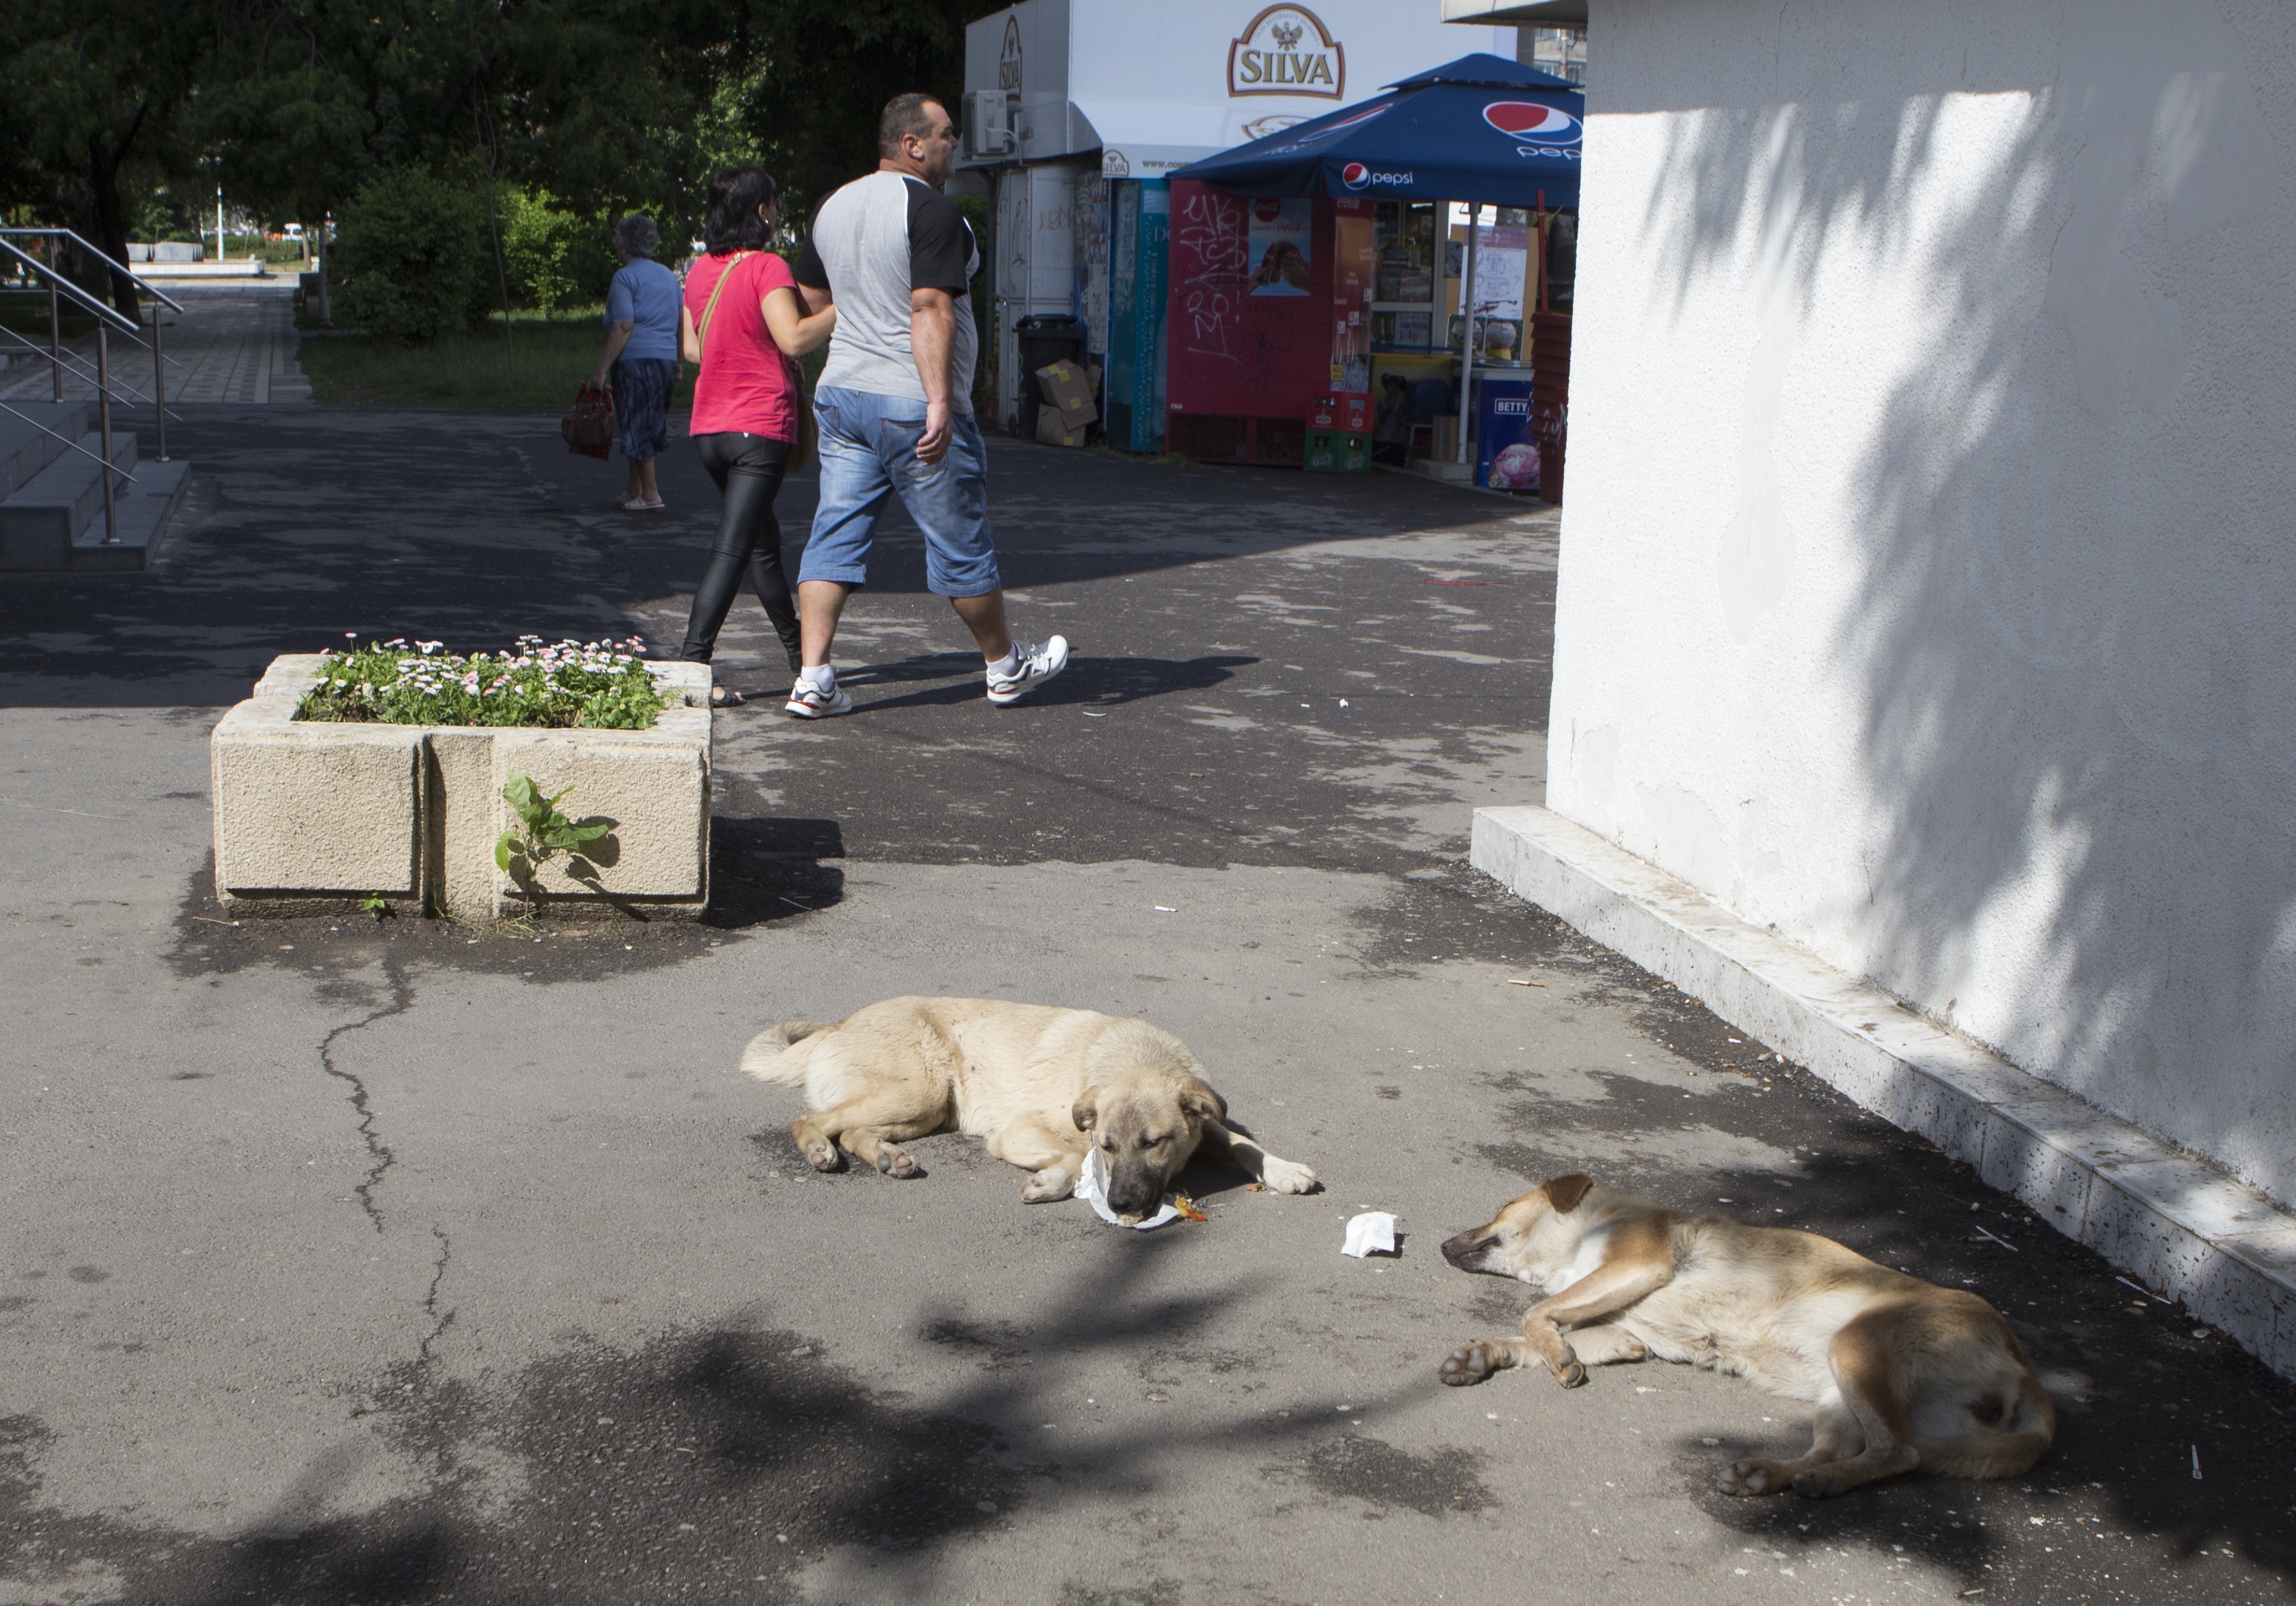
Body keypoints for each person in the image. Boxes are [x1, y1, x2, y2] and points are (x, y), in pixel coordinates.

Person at [783, 92, 1070, 719]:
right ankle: (1004, 667)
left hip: (841, 394)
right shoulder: (931, 209)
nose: (954, 145)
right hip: (909, 401)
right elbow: (930, 307)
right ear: (912, 144)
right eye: (945, 135)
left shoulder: (833, 205)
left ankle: (813, 679)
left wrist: (860, 311)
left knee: (833, 533)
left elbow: (807, 292)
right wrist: (940, 398)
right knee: (959, 540)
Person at [676, 167, 837, 706]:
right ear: (762, 210)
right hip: (758, 426)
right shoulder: (767, 267)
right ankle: (691, 664)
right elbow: (793, 338)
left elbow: (694, 350)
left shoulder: (700, 271)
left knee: (762, 548)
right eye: (773, 203)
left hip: (710, 430)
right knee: (733, 549)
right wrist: (843, 310)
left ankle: (804, 662)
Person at [592, 215, 683, 511]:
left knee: (637, 423)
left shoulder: (624, 277)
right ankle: (635, 488)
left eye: (618, 239)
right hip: (665, 360)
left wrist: (601, 370)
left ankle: (652, 495)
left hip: (635, 360)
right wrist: (678, 360)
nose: (616, 244)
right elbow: (681, 321)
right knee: (640, 422)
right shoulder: (669, 276)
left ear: (625, 245)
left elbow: (623, 325)